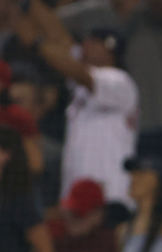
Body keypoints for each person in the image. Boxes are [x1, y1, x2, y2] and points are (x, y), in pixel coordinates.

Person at [18, 1, 138, 205]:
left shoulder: (119, 81)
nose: (86, 45)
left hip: (110, 196)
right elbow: (61, 40)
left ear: (110, 50)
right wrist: (28, 5)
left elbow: (76, 70)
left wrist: (37, 44)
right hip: (79, 198)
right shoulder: (81, 82)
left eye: (94, 42)